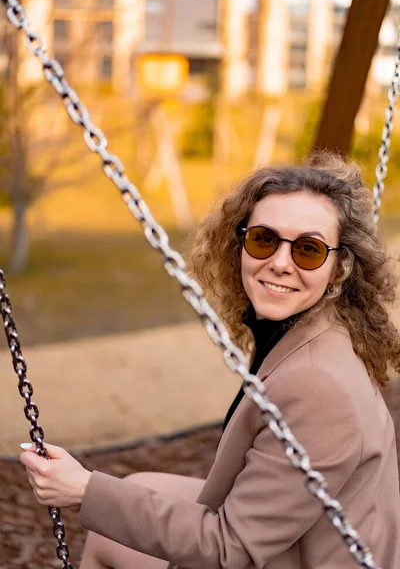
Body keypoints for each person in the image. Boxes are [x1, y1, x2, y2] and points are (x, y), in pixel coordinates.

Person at [20, 152, 400, 569]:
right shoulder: (308, 327)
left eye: (307, 250)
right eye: (264, 239)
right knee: (138, 485)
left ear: (340, 267)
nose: (279, 262)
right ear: (239, 244)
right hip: (304, 535)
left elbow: (228, 549)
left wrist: (83, 490)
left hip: (308, 556)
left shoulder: (316, 387)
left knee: (108, 534)